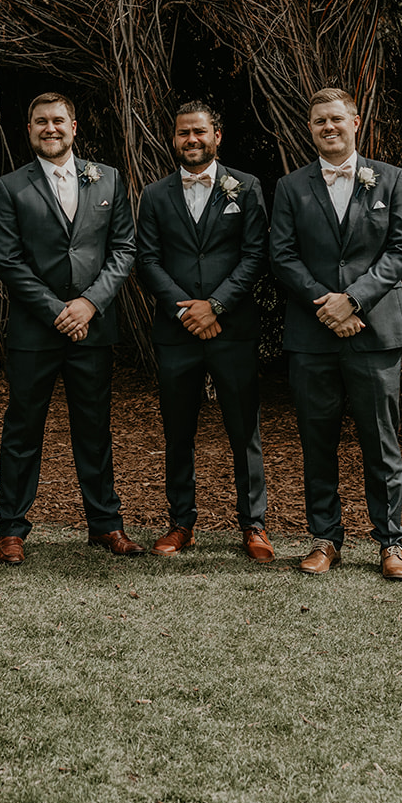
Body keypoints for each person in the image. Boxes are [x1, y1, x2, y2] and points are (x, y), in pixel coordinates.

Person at [269, 87, 402, 581]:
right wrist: (326, 305)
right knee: (317, 440)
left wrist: (353, 300)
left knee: (381, 441)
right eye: (318, 122)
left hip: (376, 333)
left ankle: (391, 542)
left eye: (335, 119)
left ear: (356, 121)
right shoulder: (291, 187)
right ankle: (324, 538)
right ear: (309, 129)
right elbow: (282, 256)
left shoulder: (391, 180)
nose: (327, 128)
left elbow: (401, 249)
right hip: (312, 336)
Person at [0, 92, 139, 563]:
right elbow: (8, 260)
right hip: (36, 331)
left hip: (92, 330)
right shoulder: (11, 186)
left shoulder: (109, 179)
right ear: (29, 129)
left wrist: (89, 304)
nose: (49, 128)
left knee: (94, 429)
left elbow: (123, 250)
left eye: (58, 121)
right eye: (40, 122)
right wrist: (58, 309)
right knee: (22, 430)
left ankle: (105, 524)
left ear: (75, 126)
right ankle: (12, 528)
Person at [136, 100, 274, 560]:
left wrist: (214, 306)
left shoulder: (247, 187)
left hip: (232, 329)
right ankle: (181, 523)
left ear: (217, 135)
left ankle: (253, 525)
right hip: (177, 334)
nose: (190, 140)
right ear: (173, 139)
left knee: (243, 430)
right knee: (178, 431)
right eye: (182, 133)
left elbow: (255, 256)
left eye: (199, 132)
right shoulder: (155, 195)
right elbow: (148, 260)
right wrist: (186, 311)